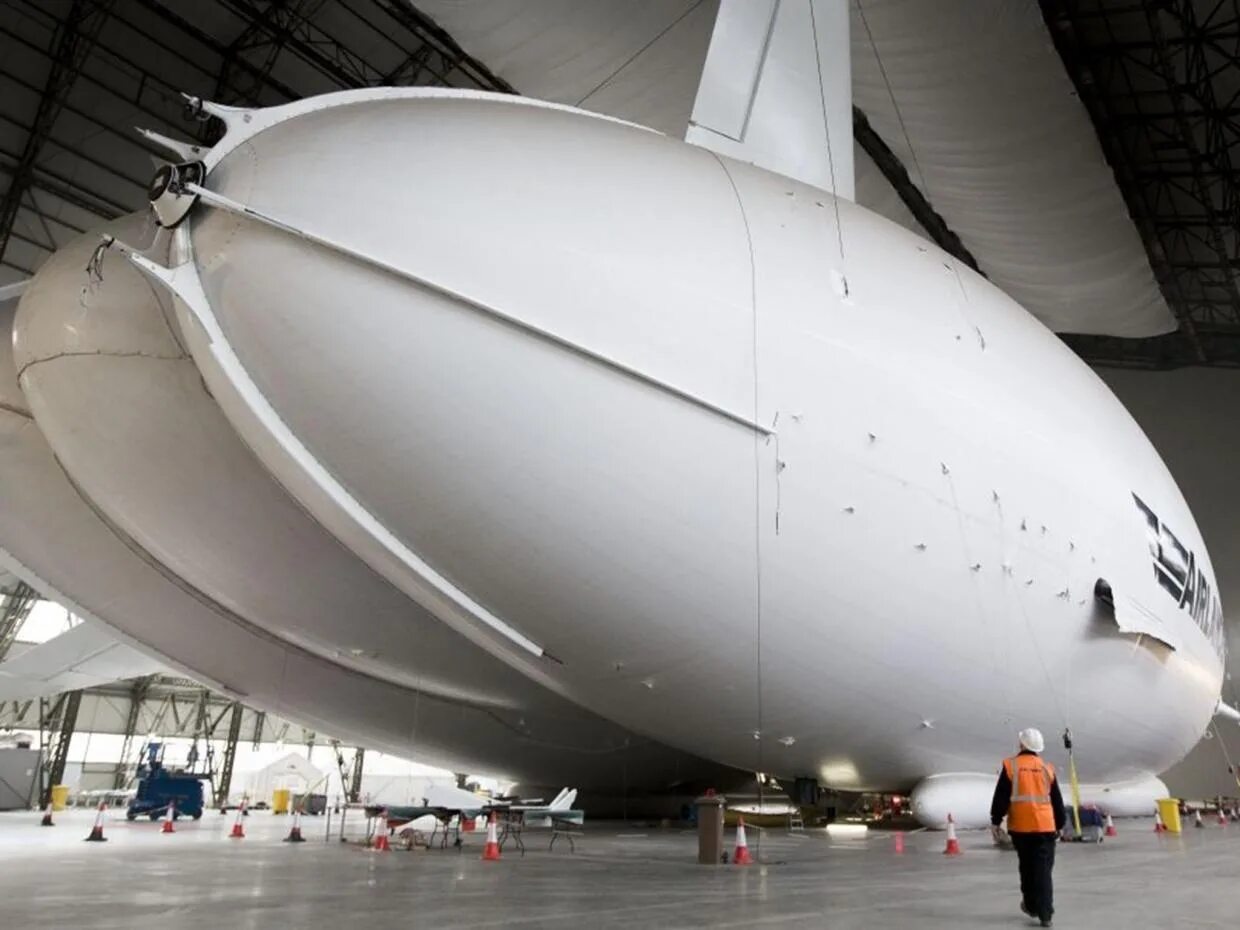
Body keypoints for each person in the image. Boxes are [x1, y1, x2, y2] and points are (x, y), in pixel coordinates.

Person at [990, 728, 1066, 927]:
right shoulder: (1047, 768)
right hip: (1045, 827)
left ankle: (1031, 905)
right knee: (1043, 871)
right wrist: (1061, 824)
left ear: (1021, 745)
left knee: (1026, 868)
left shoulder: (1011, 766)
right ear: (1038, 748)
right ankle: (1046, 914)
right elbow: (1057, 800)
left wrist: (996, 820)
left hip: (1021, 828)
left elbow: (1001, 796)